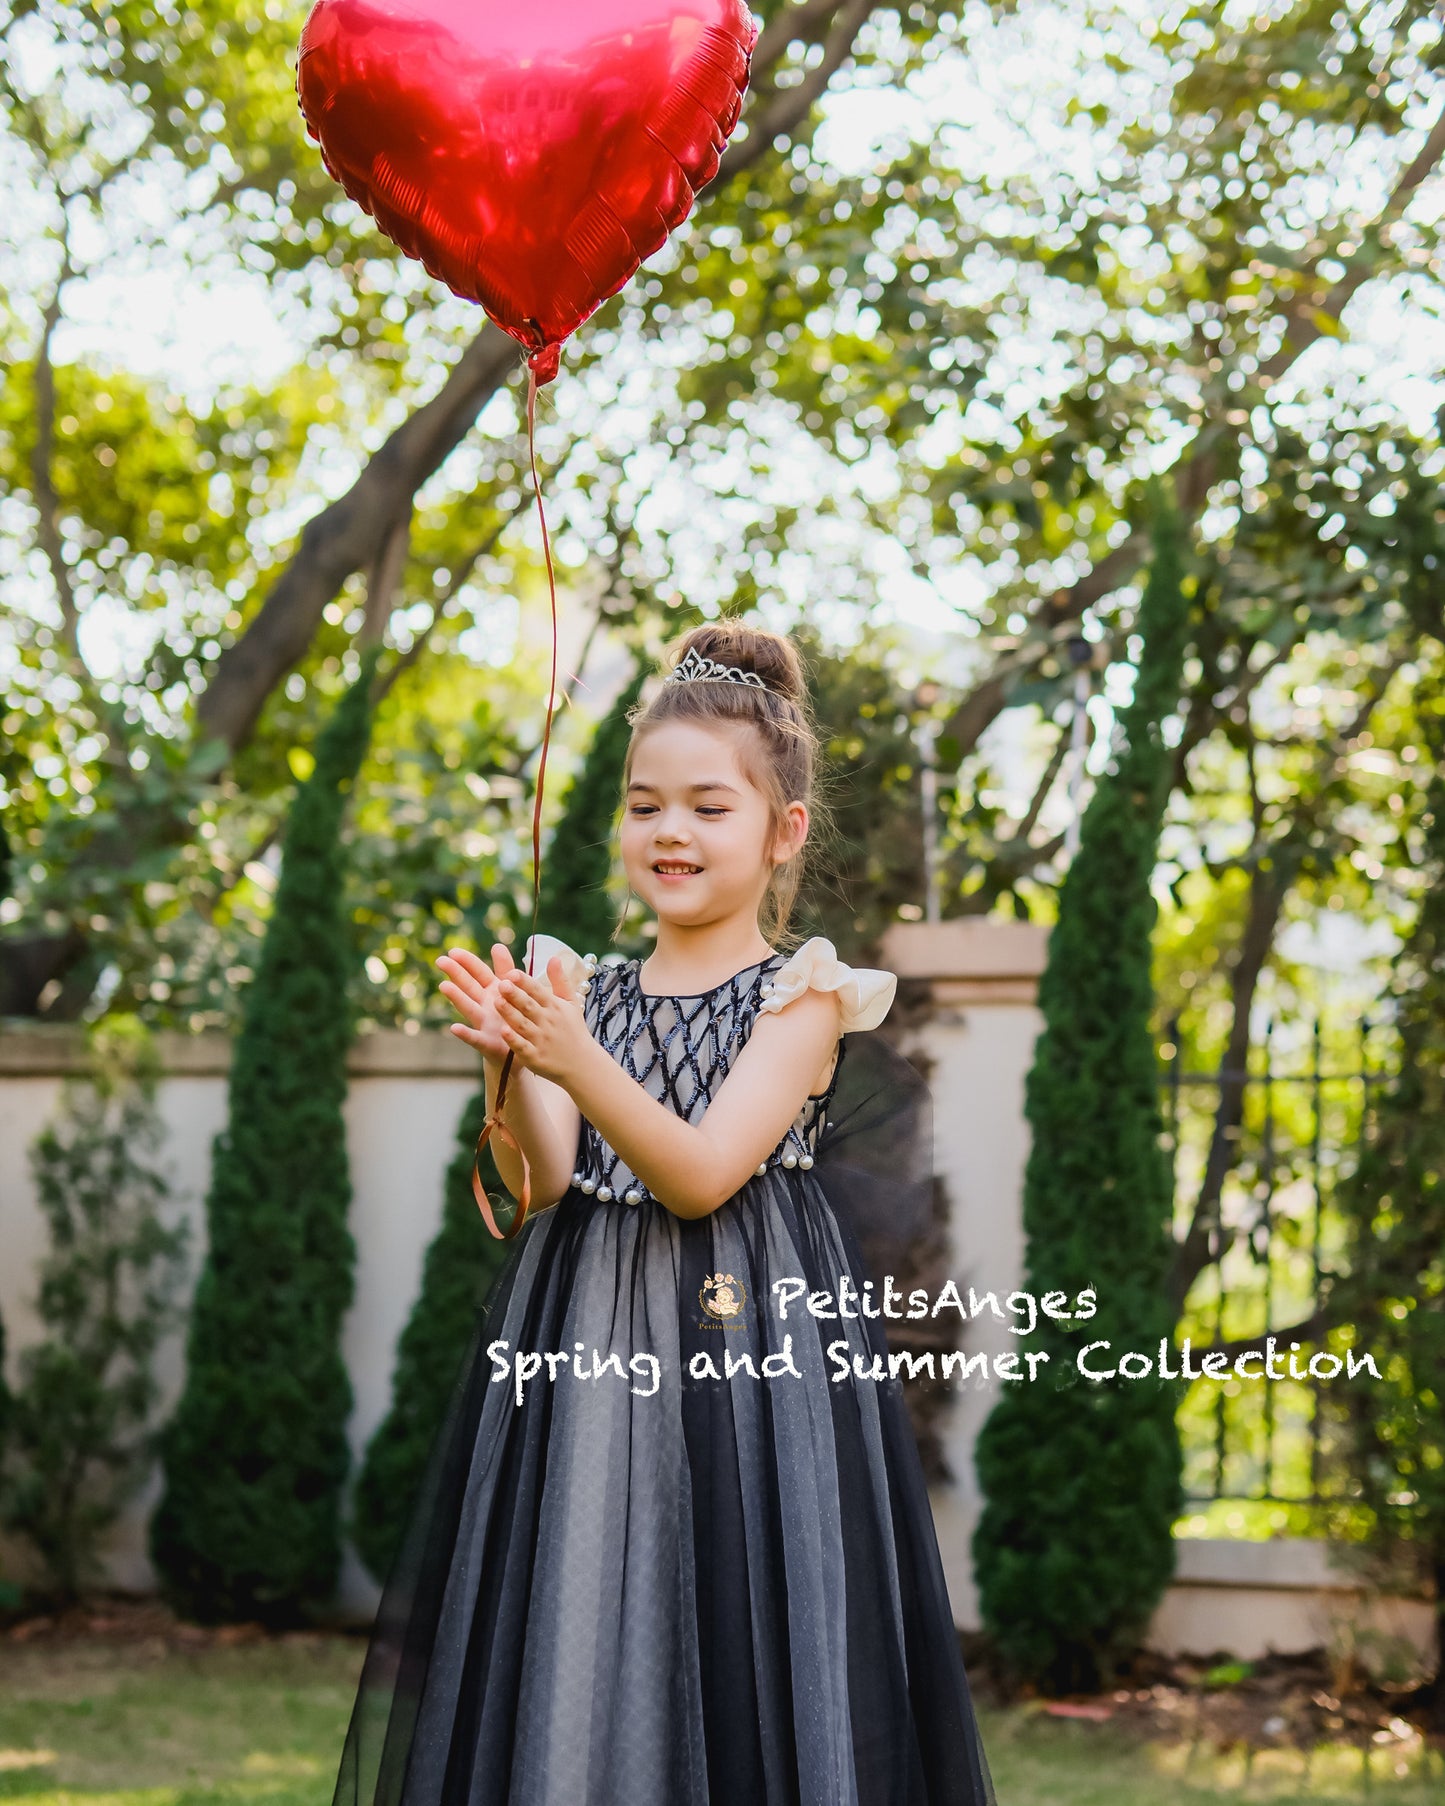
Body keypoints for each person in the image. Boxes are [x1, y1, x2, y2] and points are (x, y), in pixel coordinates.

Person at [331, 623, 998, 1806]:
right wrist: (510, 1064)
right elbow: (545, 1179)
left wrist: (571, 1058)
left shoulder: (801, 998)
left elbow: (697, 1174)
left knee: (731, 1605)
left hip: (744, 1355)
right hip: (587, 1334)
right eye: (644, 807)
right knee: (581, 1600)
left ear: (781, 832)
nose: (669, 833)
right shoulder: (580, 987)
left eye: (705, 807)